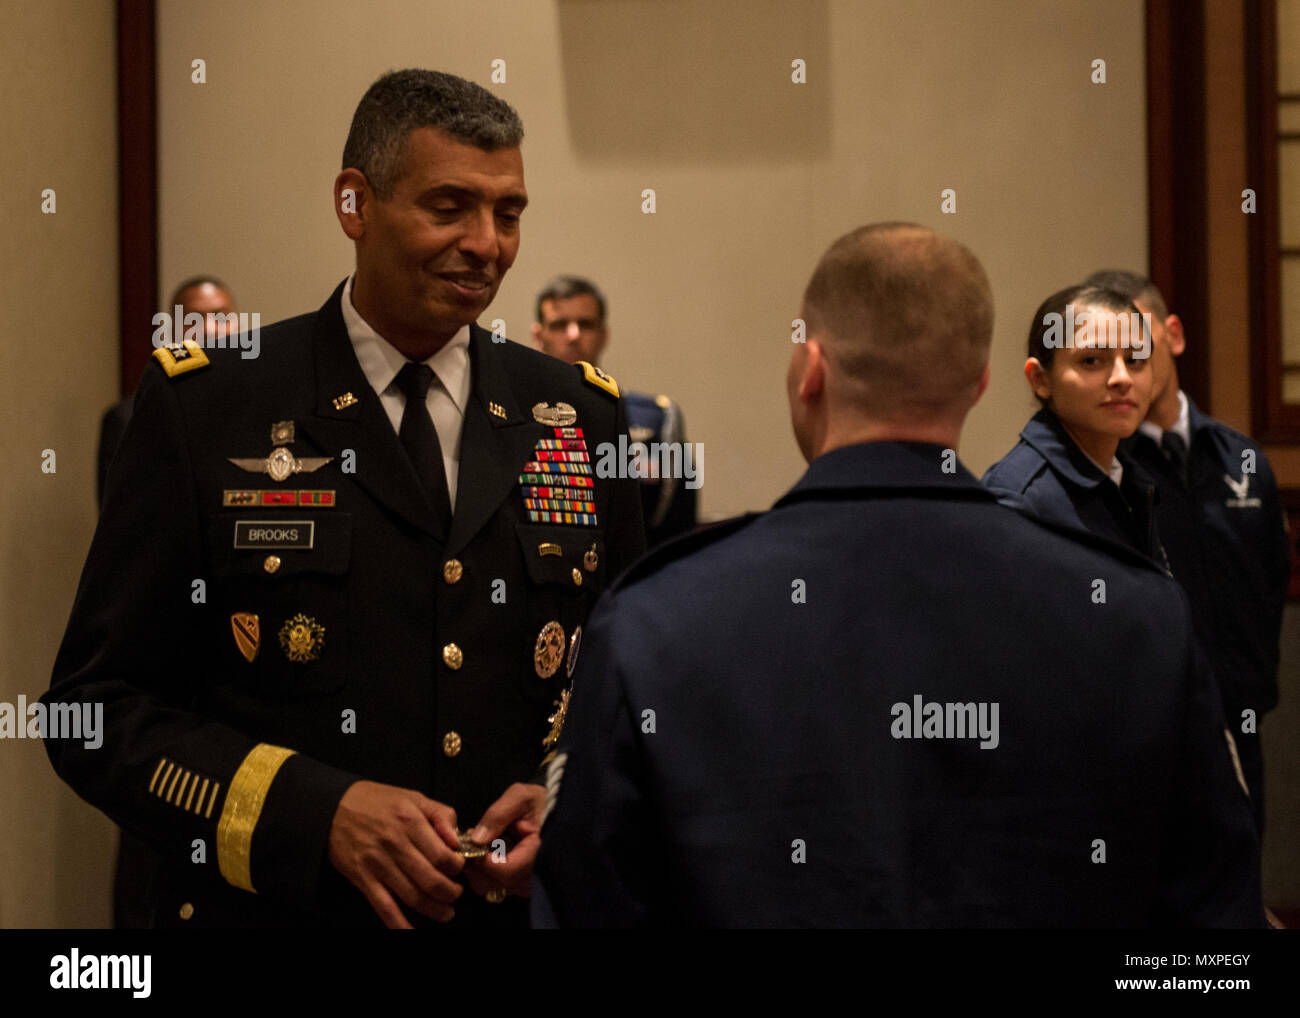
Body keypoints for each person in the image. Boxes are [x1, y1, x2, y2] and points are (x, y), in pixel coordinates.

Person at [43, 68, 644, 929]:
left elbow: (618, 689)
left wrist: (569, 798)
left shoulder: (578, 416)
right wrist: (313, 812)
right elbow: (93, 714)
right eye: (449, 207)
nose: (487, 244)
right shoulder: (209, 407)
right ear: (354, 205)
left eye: (508, 214)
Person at [532, 223, 1262, 928]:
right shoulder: (1138, 617)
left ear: (808, 372)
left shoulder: (656, 619)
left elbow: (586, 898)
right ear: (979, 385)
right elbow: (1215, 926)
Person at [1084, 269, 1289, 833]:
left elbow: (1271, 581)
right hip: (1142, 724)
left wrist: (1254, 685)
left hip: (1240, 713)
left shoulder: (1240, 460)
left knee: (1240, 875)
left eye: (1138, 343)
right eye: (1104, 355)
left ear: (1172, 335)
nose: (1125, 367)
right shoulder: (1105, 469)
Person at [982, 285, 1164, 564]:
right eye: (1091, 360)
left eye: (1135, 359)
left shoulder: (1131, 477)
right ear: (1040, 379)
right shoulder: (1017, 500)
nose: (1122, 378)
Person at [531, 275, 696, 546]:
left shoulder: (657, 420)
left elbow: (678, 529)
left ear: (603, 334)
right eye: (560, 325)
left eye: (585, 324)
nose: (573, 335)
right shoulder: (515, 415)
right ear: (539, 336)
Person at [97, 276, 238, 507]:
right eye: (193, 319)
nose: (210, 329)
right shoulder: (130, 418)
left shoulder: (267, 408)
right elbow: (120, 522)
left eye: (221, 317)